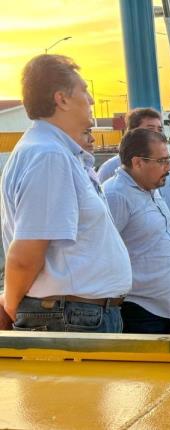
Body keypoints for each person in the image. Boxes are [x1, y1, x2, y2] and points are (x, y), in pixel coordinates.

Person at [0, 54, 131, 332]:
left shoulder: (56, 152)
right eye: (85, 91)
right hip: (69, 317)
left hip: (77, 314)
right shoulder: (48, 156)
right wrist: (11, 308)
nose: (92, 100)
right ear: (62, 99)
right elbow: (26, 252)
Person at [104, 129, 170, 334]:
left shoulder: (150, 188)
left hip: (165, 306)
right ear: (138, 162)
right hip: (140, 311)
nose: (169, 167)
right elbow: (102, 253)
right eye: (162, 161)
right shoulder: (116, 195)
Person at [98, 108, 170, 243]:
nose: (156, 133)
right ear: (132, 132)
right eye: (150, 128)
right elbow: (107, 238)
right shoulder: (110, 170)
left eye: (159, 129)